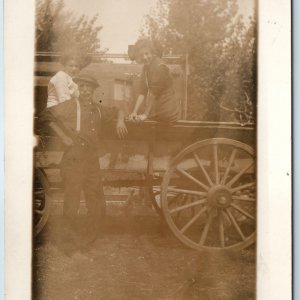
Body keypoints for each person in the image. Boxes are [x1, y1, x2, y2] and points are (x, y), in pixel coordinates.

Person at [39, 73, 128, 253]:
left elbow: (119, 109)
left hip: (91, 160)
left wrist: (120, 121)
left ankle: (87, 240)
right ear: (79, 89)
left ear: (94, 90)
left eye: (90, 87)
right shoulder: (71, 106)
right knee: (72, 201)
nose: (86, 90)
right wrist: (64, 137)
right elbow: (45, 116)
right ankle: (69, 242)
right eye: (83, 87)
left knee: (95, 200)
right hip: (73, 158)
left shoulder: (99, 109)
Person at [128, 39, 180, 122]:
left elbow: (153, 93)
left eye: (147, 53)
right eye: (141, 55)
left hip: (167, 110)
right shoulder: (146, 68)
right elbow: (142, 92)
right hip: (157, 109)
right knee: (137, 119)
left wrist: (145, 114)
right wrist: (134, 112)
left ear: (152, 52)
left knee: (143, 123)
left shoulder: (160, 66)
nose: (144, 57)